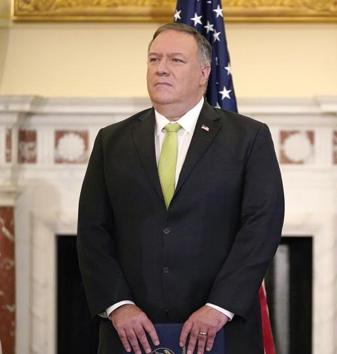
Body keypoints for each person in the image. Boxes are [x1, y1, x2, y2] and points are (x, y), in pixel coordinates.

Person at [77, 23, 284, 354]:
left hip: (221, 331)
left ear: (203, 73)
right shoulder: (111, 141)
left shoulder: (248, 138)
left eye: (175, 60)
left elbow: (262, 227)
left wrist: (219, 307)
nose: (161, 68)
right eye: (154, 59)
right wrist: (118, 305)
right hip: (131, 333)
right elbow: (92, 231)